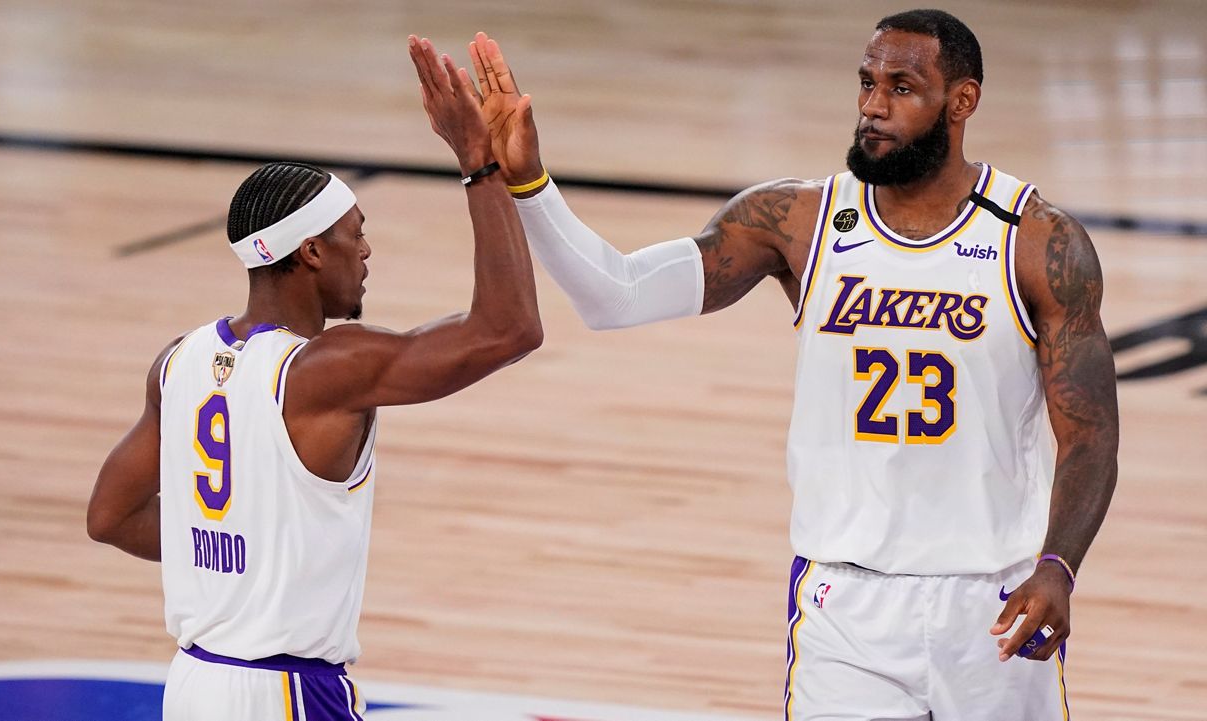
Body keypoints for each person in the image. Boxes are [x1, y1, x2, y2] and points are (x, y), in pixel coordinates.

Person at [466, 9, 1118, 720]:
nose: (873, 105)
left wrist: (1059, 564)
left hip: (995, 597)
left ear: (962, 101)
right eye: (866, 82)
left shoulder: (1034, 239)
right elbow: (614, 296)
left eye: (902, 87)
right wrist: (529, 182)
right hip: (845, 606)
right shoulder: (798, 222)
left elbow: (1089, 433)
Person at [86, 36, 541, 721]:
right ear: (311, 249)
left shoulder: (178, 361)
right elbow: (508, 329)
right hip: (286, 693)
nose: (365, 249)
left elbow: (109, 516)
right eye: (355, 233)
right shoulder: (327, 369)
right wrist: (480, 164)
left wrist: (240, 556)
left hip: (191, 685)